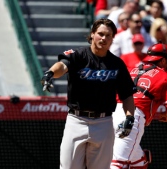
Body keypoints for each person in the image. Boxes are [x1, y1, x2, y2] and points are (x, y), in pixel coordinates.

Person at [41, 18, 136, 169]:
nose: (103, 38)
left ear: (113, 38)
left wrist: (130, 117)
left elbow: (127, 95)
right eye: (100, 34)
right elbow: (63, 66)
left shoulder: (117, 64)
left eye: (108, 35)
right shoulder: (78, 55)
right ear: (92, 34)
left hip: (104, 123)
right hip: (76, 120)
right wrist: (50, 73)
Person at [110, 42, 167, 169]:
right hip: (133, 117)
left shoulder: (134, 70)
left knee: (140, 160)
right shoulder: (164, 75)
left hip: (113, 114)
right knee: (118, 163)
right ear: (163, 60)